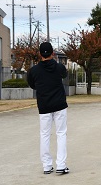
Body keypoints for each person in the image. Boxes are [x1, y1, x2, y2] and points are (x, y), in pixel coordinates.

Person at [27, 42, 69, 174]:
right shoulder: (59, 67)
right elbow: (64, 74)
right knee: (61, 133)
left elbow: (32, 85)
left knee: (44, 134)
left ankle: (46, 166)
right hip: (59, 104)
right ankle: (61, 165)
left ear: (40, 54)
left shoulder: (33, 71)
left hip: (44, 105)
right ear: (53, 53)